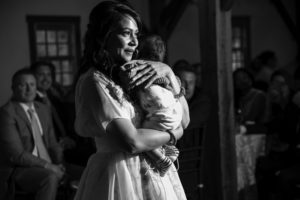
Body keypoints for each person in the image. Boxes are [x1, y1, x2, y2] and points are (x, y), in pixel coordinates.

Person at [74, 1, 189, 200]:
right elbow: (132, 142)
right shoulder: (94, 81)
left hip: (153, 173)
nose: (134, 42)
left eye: (136, 34)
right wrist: (173, 134)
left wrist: (170, 75)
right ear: (104, 36)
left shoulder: (135, 74)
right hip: (119, 173)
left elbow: (185, 120)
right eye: (126, 33)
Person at [121, 34, 182, 176]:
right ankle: (167, 151)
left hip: (162, 112)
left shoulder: (137, 67)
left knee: (142, 131)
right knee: (157, 127)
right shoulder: (163, 71)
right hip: (175, 110)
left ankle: (161, 159)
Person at [0, 68, 65, 200]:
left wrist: (59, 164)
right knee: (50, 178)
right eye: (23, 85)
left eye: (32, 84)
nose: (29, 89)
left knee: (87, 172)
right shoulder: (6, 113)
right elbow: (17, 155)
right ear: (13, 88)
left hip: (49, 163)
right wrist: (50, 167)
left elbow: (52, 143)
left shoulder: (43, 109)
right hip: (20, 169)